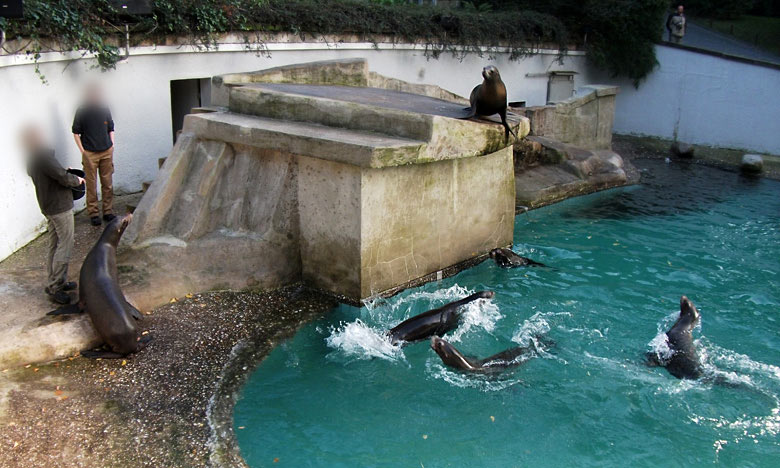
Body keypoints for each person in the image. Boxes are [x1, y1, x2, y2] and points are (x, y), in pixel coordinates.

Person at [23, 125, 86, 305]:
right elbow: (62, 177)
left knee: (54, 244)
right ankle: (56, 287)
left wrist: (61, 171)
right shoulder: (43, 156)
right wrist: (77, 179)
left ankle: (55, 281)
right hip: (59, 207)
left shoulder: (33, 158)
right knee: (64, 245)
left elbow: (50, 174)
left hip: (48, 206)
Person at [72, 84, 116, 226]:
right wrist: (83, 151)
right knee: (91, 185)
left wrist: (112, 145)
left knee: (107, 183)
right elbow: (75, 132)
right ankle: (94, 213)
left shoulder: (105, 109)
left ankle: (108, 211)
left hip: (106, 151)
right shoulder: (81, 111)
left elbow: (111, 127)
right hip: (90, 153)